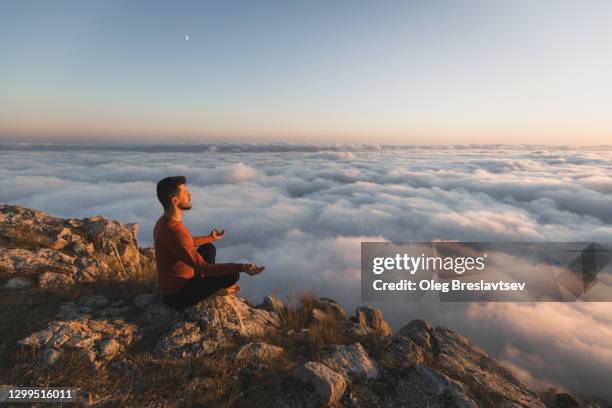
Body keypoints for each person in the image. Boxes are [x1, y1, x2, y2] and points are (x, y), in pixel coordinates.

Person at [153, 176, 264, 310]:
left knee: (208, 248)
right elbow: (203, 268)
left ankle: (210, 286)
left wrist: (210, 237)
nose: (189, 194)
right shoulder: (173, 230)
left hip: (182, 281)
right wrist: (243, 267)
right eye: (185, 192)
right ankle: (215, 291)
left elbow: (186, 242)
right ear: (175, 200)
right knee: (233, 275)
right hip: (177, 296)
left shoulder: (165, 222)